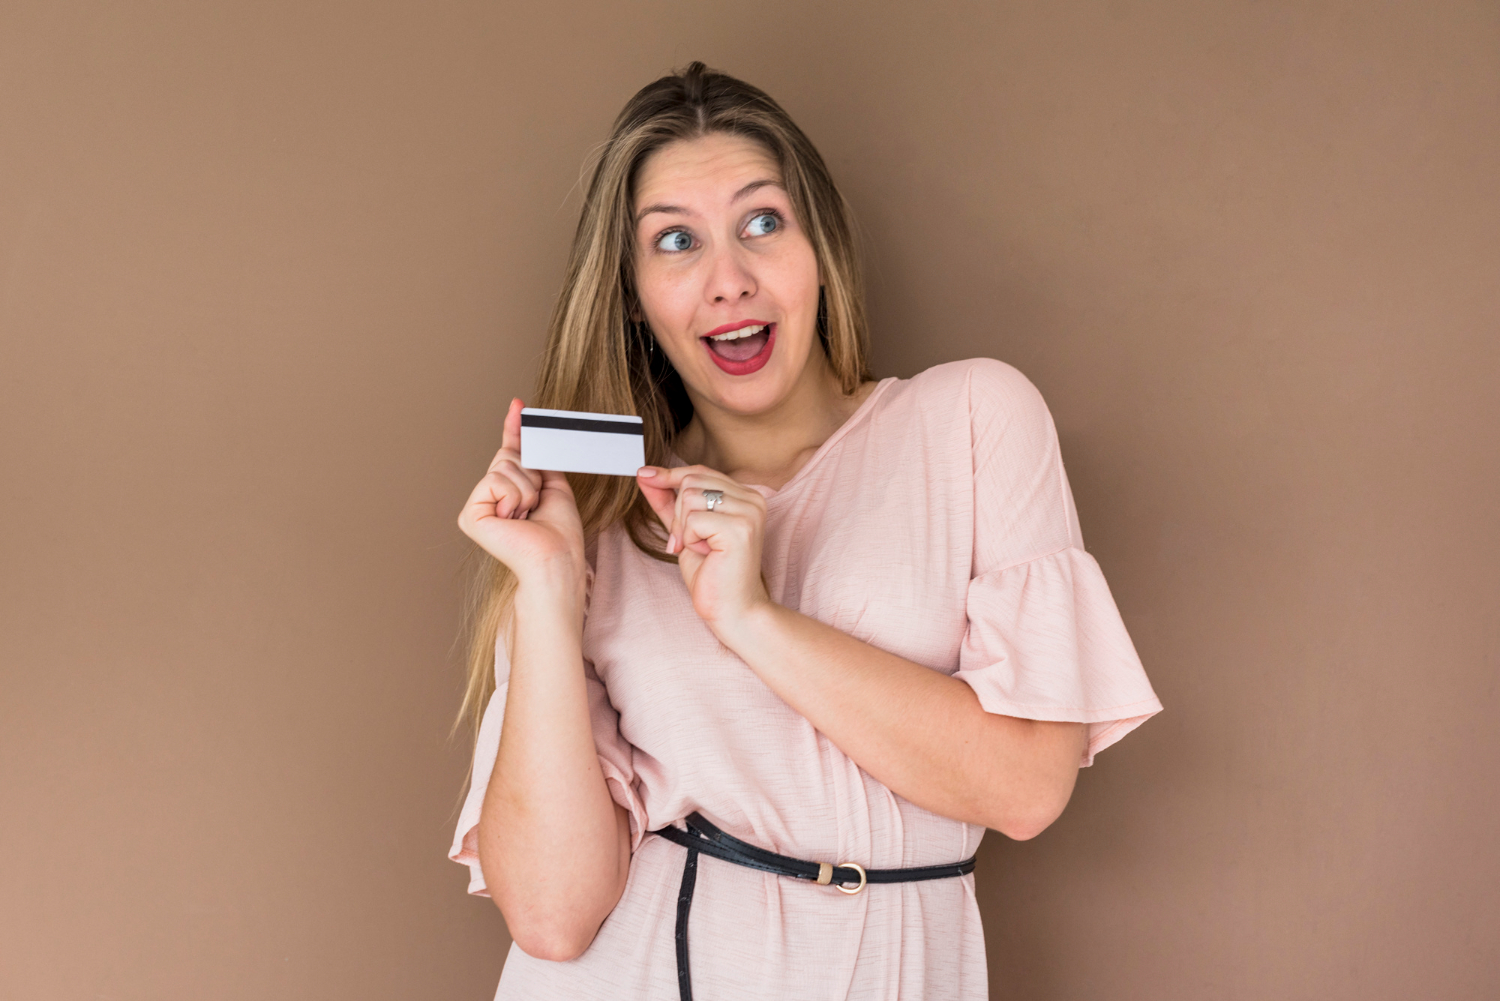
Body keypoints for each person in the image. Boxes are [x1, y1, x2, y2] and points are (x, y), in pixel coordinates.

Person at [451, 62, 1161, 1000]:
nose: (728, 281)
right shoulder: (597, 527)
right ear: (631, 294)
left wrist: (749, 617)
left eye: (761, 223)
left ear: (816, 245)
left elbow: (1027, 788)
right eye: (675, 241)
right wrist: (544, 589)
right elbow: (549, 914)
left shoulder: (973, 417)